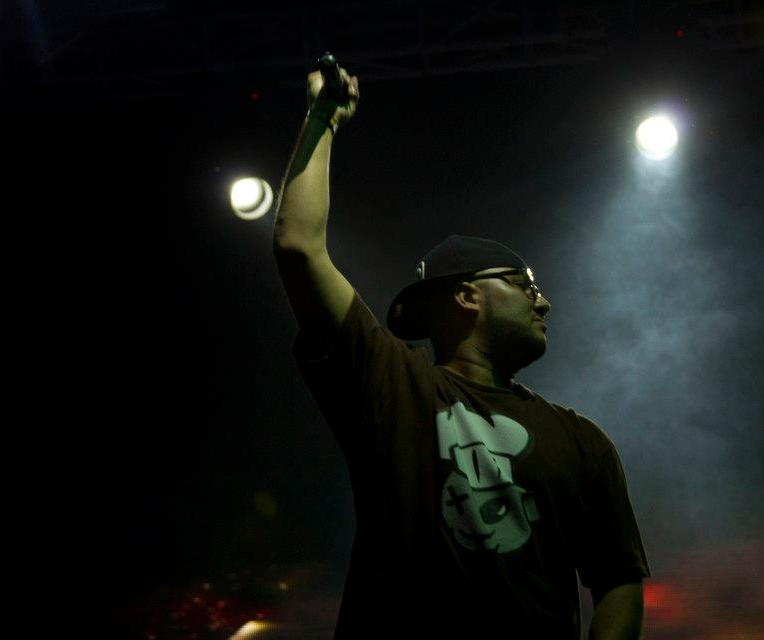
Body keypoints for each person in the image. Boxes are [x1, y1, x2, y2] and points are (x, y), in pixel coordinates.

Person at [272, 63, 650, 640]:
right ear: (468, 295)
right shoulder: (393, 387)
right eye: (525, 285)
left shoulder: (583, 442)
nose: (544, 301)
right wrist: (322, 120)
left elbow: (618, 580)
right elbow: (299, 247)